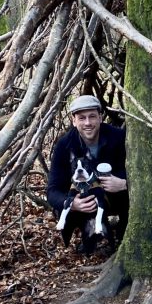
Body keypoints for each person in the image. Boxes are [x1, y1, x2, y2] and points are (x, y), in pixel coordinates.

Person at [47, 95, 128, 253]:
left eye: (92, 116)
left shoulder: (118, 137)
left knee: (132, 194)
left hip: (114, 196)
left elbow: (139, 173)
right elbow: (52, 190)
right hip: (85, 200)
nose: (88, 123)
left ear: (100, 117)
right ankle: (91, 237)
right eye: (82, 118)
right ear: (74, 120)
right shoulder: (65, 145)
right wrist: (71, 204)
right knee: (65, 205)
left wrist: (124, 183)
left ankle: (124, 235)